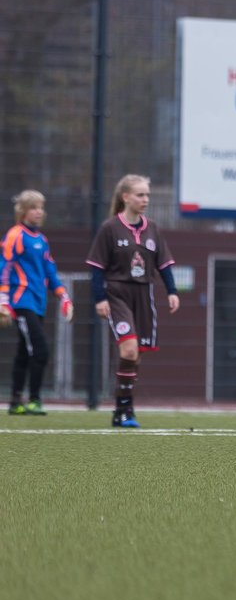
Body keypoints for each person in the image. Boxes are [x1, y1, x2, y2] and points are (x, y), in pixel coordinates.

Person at [86, 175, 179, 428]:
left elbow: (164, 264)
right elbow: (96, 267)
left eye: (147, 195)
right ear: (125, 197)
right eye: (140, 195)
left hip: (144, 295)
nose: (145, 199)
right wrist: (100, 298)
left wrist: (172, 291)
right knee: (128, 349)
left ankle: (121, 411)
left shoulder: (153, 228)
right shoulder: (109, 228)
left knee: (136, 357)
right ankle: (125, 409)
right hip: (117, 294)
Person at [1, 190, 74, 415]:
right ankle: (34, 399)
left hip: (37, 302)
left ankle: (15, 402)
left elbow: (50, 271)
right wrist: (3, 300)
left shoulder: (41, 240)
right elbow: (5, 267)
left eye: (41, 207)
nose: (39, 211)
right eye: (34, 207)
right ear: (23, 211)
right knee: (40, 349)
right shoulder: (15, 235)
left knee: (25, 351)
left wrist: (63, 296)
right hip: (21, 302)